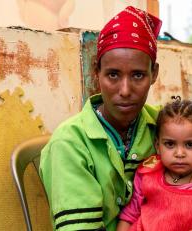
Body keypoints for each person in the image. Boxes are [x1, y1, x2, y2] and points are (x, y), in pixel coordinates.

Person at [39, 6, 162, 230]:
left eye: (138, 75)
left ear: (154, 74)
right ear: (97, 72)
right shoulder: (69, 143)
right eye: (113, 74)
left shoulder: (166, 127)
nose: (125, 90)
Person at [117, 99, 192, 231]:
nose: (180, 153)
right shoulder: (147, 176)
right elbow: (129, 216)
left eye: (190, 144)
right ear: (158, 145)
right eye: (170, 144)